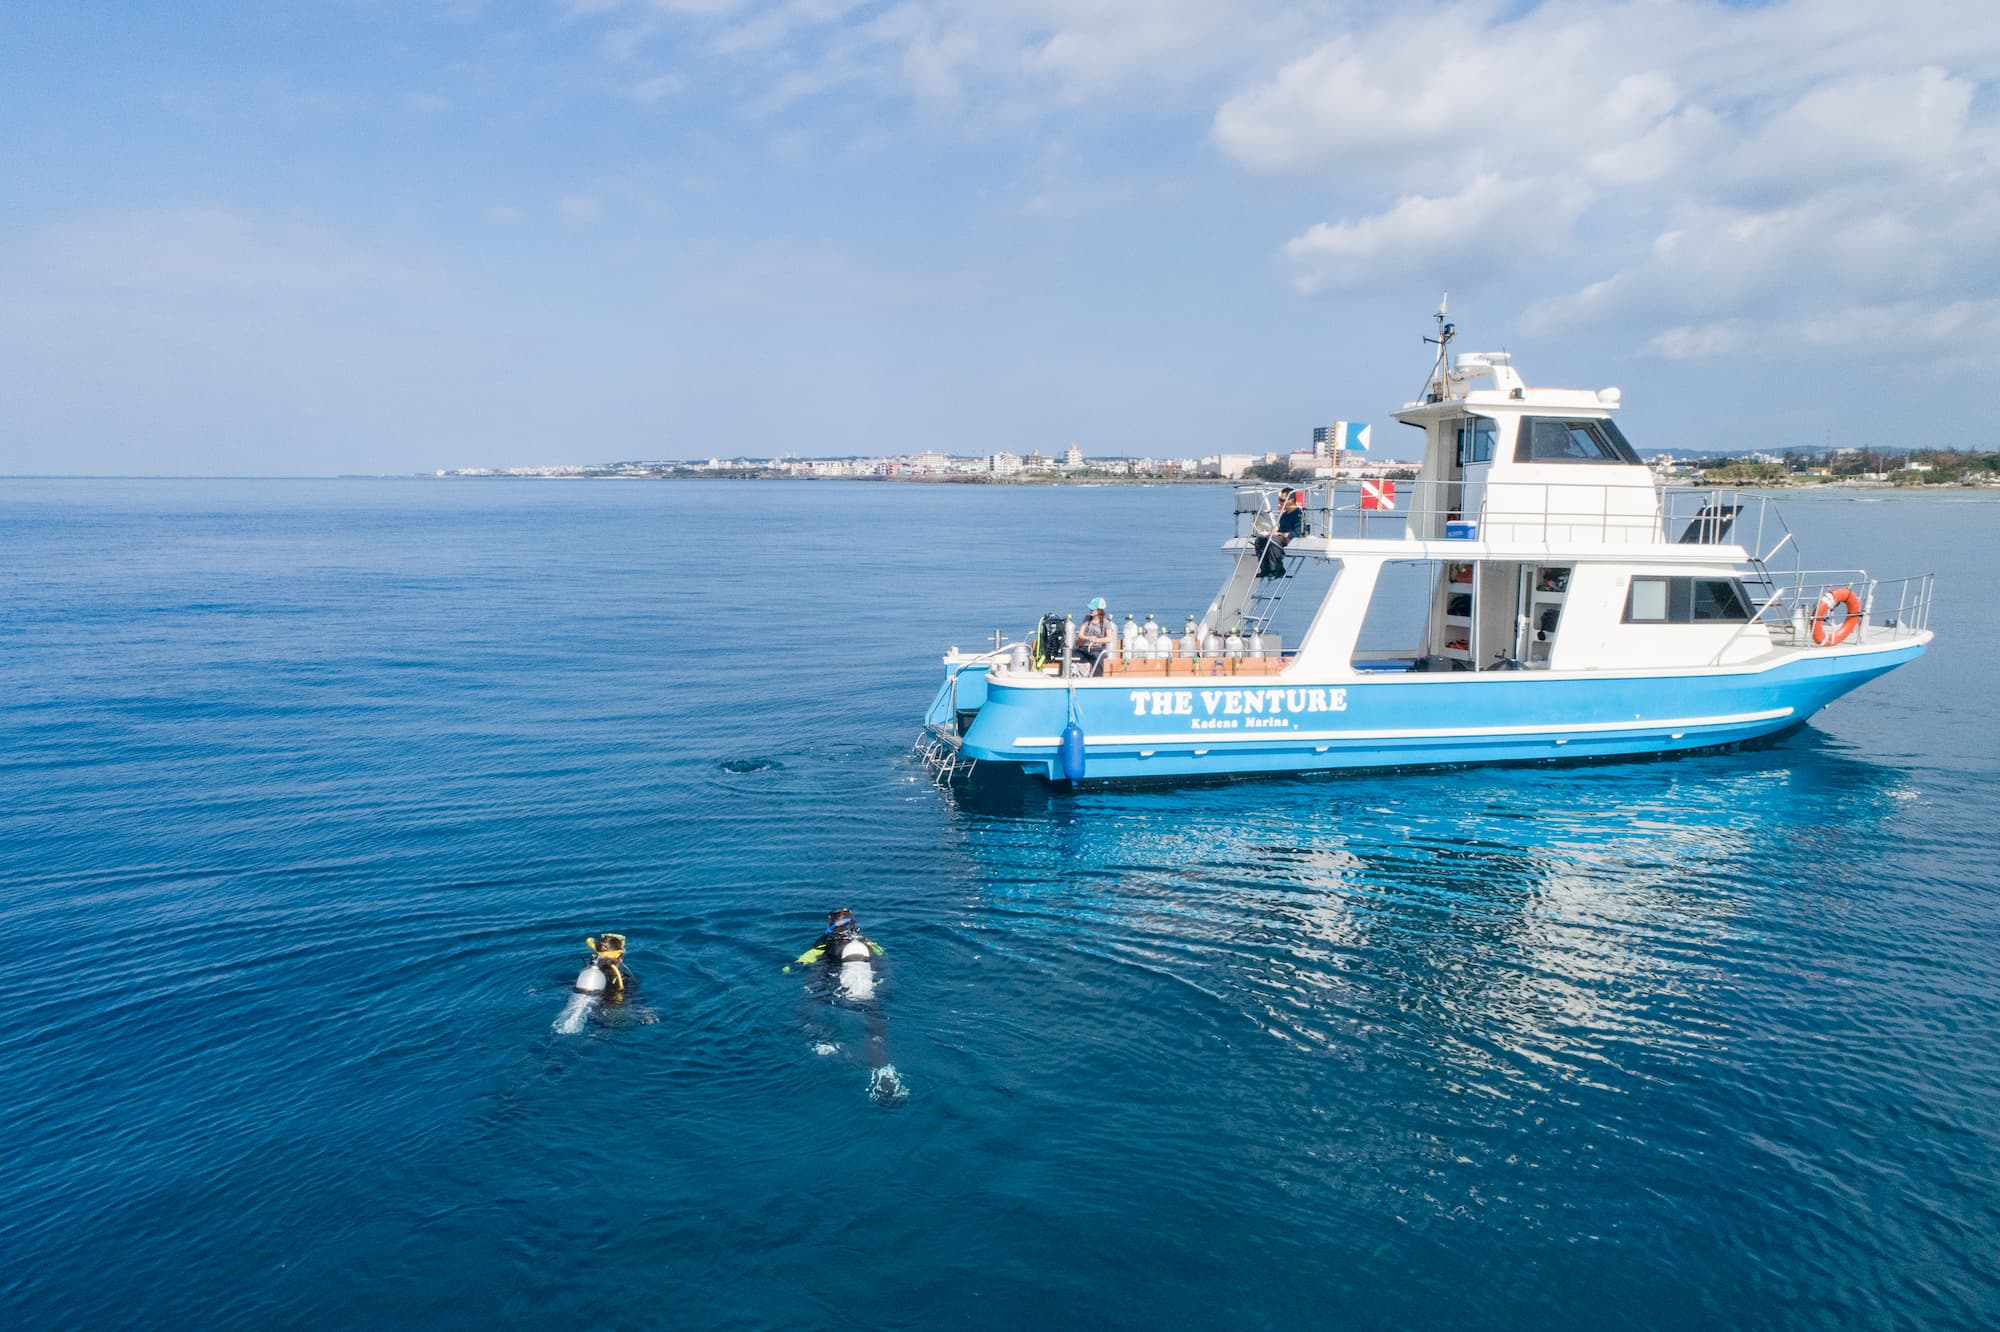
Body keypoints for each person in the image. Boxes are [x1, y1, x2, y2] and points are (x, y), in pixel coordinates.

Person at [791, 908, 902, 1101]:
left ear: (830, 926)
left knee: (803, 1012)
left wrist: (785, 968)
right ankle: (884, 1070)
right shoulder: (867, 943)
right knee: (876, 1033)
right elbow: (883, 957)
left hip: (838, 990)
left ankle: (824, 1041)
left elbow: (800, 964)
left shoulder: (823, 945)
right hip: (868, 989)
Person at [1256, 488, 1305, 578]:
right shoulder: (1284, 515)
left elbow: (1297, 533)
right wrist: (1272, 532)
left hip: (1293, 539)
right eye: (1280, 500)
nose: (1281, 503)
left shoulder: (1299, 514)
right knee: (1260, 540)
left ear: (1291, 500)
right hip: (1283, 538)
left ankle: (1277, 569)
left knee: (1274, 540)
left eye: (1283, 500)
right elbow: (1282, 529)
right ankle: (1265, 569)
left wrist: (1279, 534)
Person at [1076, 597, 1114, 673]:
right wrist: (1089, 638)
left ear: (1099, 610)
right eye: (1090, 609)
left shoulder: (1106, 623)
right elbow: (1080, 635)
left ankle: (1097, 677)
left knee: (1096, 657)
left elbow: (1109, 638)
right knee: (1071, 654)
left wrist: (1096, 640)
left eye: (1093, 609)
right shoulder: (1087, 619)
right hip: (1085, 648)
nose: (1091, 610)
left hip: (1097, 649)